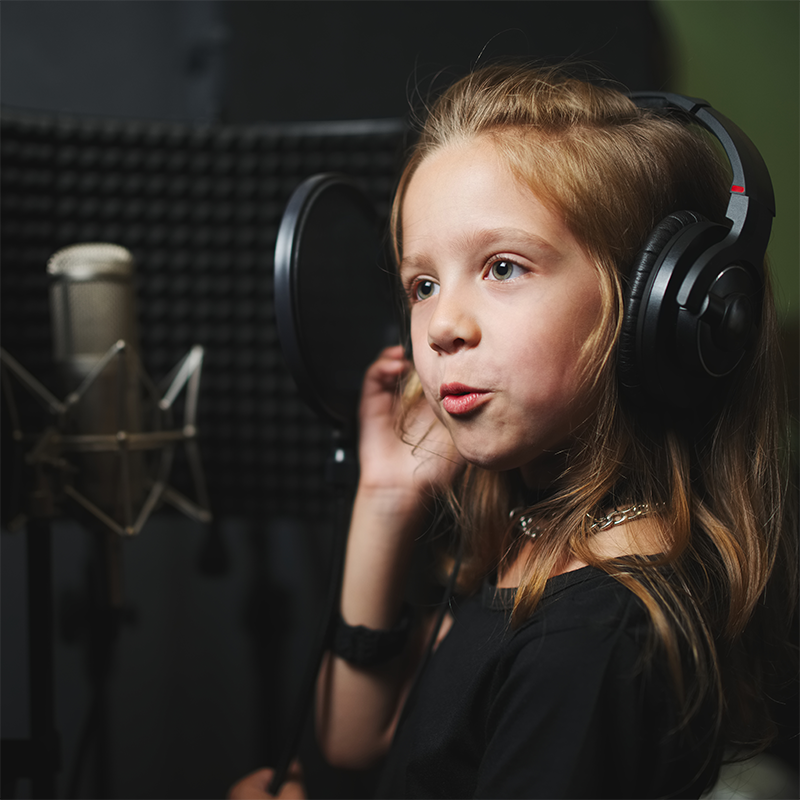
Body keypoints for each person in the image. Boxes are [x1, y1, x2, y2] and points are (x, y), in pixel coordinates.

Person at [229, 63, 796, 799]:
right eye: (422, 285)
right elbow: (355, 739)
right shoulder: (536, 542)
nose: (442, 327)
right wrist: (388, 498)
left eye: (503, 267)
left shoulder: (589, 643)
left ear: (657, 309)